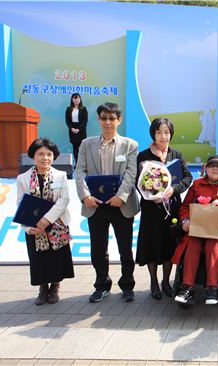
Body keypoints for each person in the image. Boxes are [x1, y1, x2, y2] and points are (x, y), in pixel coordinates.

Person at [75, 102, 140, 303]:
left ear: (119, 120)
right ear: (98, 119)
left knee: (125, 249)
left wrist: (120, 196)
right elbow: (79, 171)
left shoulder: (130, 145)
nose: (108, 122)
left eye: (112, 118)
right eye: (104, 118)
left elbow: (131, 173)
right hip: (95, 205)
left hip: (120, 204)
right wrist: (85, 196)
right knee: (98, 249)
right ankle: (102, 284)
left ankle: (127, 285)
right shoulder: (87, 144)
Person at [136, 118, 192, 300]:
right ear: (153, 133)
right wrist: (150, 194)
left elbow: (187, 178)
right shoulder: (143, 156)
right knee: (152, 246)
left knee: (169, 245)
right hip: (151, 209)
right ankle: (153, 282)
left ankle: (166, 281)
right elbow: (137, 181)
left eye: (167, 132)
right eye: (159, 132)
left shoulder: (176, 155)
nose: (163, 136)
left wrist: (173, 190)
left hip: (172, 208)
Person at [172, 155, 218, 304]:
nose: (215, 168)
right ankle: (187, 287)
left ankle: (212, 288)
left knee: (212, 243)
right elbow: (184, 206)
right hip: (197, 228)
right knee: (193, 243)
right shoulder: (197, 185)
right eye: (211, 166)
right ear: (206, 169)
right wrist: (185, 221)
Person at [16, 138, 74, 305]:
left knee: (57, 258)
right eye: (40, 154)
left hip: (56, 224)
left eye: (49, 154)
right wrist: (28, 226)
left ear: (54, 157)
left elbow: (64, 199)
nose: (45, 158)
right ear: (33, 156)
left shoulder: (60, 175)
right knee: (38, 259)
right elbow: (21, 203)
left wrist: (47, 219)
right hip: (35, 227)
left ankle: (55, 286)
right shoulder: (23, 178)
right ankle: (42, 288)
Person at [65, 93, 88, 164]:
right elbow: (67, 121)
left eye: (78, 98)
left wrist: (79, 129)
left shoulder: (84, 109)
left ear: (80, 99)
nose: (77, 100)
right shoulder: (69, 109)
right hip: (72, 130)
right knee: (75, 148)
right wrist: (71, 128)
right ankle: (77, 164)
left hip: (81, 130)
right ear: (72, 99)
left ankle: (83, 164)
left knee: (82, 148)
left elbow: (85, 121)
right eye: (75, 98)